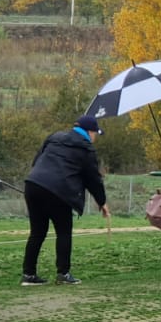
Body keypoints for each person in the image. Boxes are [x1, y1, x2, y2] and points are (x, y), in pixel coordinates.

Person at [21, 115, 111, 285]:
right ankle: (63, 273)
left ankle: (28, 274)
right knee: (63, 231)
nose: (96, 137)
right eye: (96, 133)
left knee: (37, 232)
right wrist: (102, 202)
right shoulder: (86, 150)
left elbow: (36, 161)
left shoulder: (54, 138)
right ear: (89, 132)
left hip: (33, 185)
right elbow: (93, 179)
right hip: (58, 192)